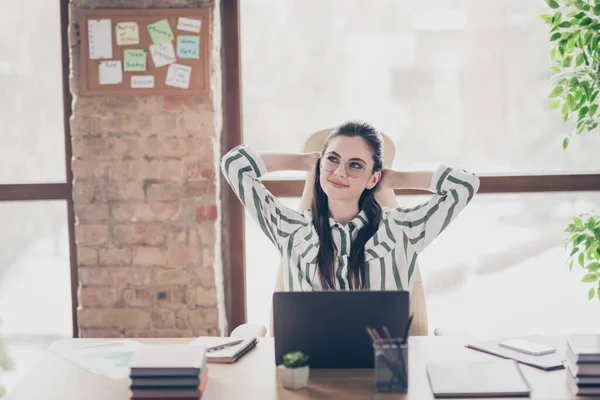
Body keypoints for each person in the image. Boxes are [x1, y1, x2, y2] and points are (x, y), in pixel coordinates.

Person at [220, 121, 480, 292]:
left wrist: (395, 179)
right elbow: (234, 165)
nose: (340, 172)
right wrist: (305, 163)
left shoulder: (403, 229)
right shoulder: (290, 228)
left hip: (382, 367)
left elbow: (464, 185)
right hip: (310, 369)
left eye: (355, 165)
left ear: (373, 177)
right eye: (333, 159)